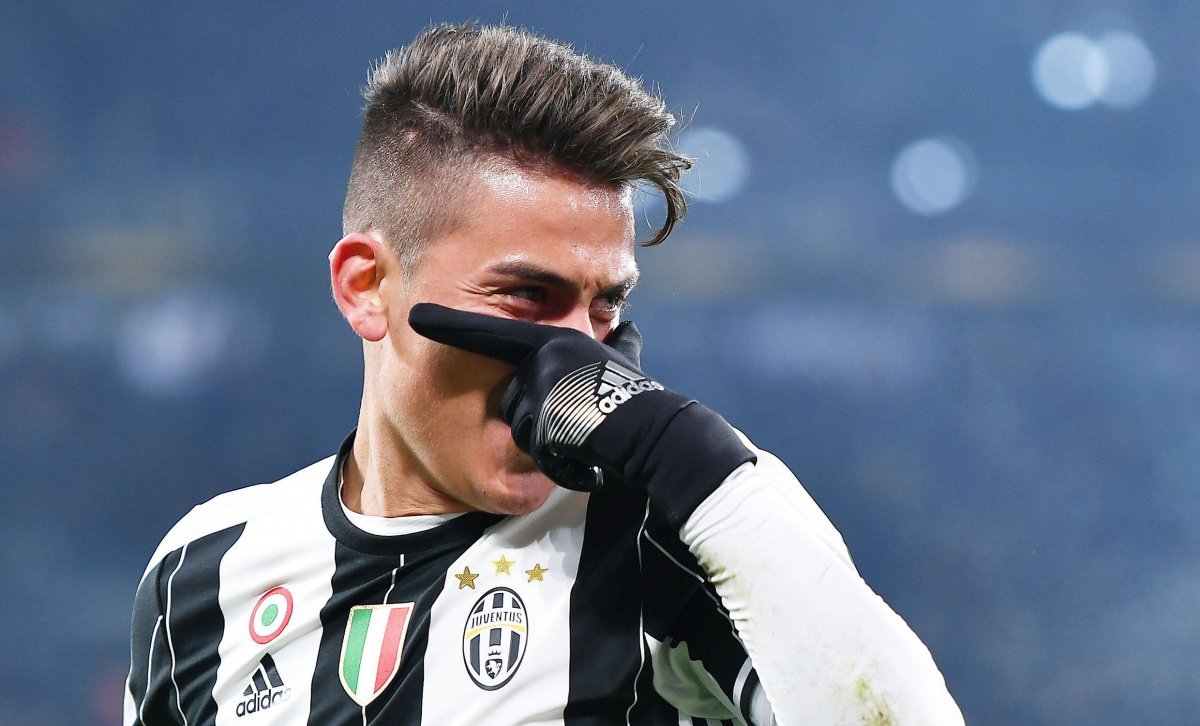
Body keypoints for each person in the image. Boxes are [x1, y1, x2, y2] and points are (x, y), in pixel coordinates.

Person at [124, 23, 963, 725]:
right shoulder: (201, 572)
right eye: (528, 295)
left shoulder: (661, 534)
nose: (581, 358)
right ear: (367, 286)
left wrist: (699, 462)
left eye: (604, 307)